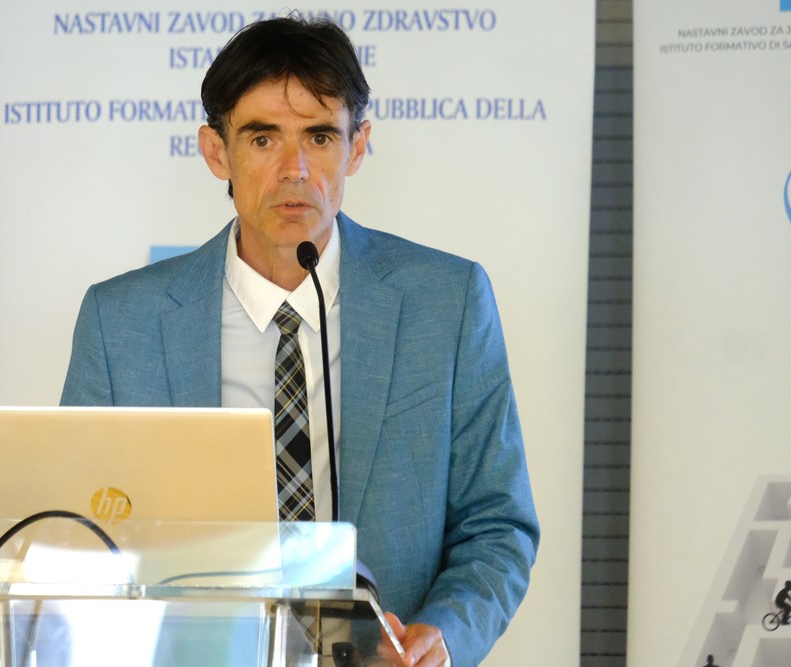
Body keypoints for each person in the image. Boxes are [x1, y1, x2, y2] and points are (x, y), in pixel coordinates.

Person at [59, 15, 539, 667]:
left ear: (357, 147)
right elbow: (78, 536)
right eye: (263, 138)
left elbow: (497, 524)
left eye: (319, 136)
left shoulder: (447, 302)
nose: (295, 169)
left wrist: (445, 633)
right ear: (216, 151)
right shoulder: (121, 323)